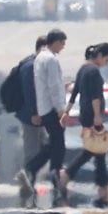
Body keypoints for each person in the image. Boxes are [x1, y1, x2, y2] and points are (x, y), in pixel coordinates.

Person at [59, 43, 108, 207]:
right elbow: (95, 96)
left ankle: (70, 176)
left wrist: (66, 111)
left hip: (85, 114)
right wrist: (97, 115)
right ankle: (102, 189)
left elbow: (75, 91)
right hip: (92, 115)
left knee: (94, 150)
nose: (106, 63)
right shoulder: (93, 71)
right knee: (99, 150)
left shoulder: (83, 69)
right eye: (107, 59)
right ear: (99, 56)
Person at [17, 29, 68, 204]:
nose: (63, 47)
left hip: (44, 108)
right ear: (55, 42)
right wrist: (61, 110)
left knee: (53, 144)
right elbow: (53, 86)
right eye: (62, 43)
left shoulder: (40, 58)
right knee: (58, 146)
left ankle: (38, 172)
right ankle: (47, 175)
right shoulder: (51, 60)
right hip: (52, 109)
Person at [15, 35, 47, 167]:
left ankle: (31, 176)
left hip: (40, 113)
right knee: (32, 150)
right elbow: (29, 91)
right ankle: (28, 178)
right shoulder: (30, 66)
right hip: (31, 115)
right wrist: (34, 113)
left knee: (45, 146)